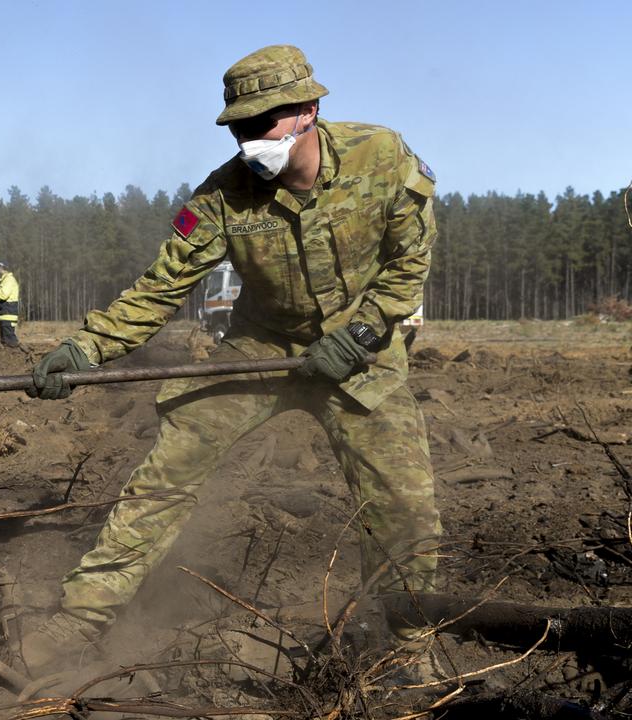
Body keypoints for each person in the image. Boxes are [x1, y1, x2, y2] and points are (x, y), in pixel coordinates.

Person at [22, 45, 441, 677]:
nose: (252, 141)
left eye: (264, 122)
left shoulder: (381, 156)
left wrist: (359, 333)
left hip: (361, 353)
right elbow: (161, 286)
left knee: (403, 503)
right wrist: (87, 348)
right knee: (166, 474)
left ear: (309, 109)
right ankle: (80, 620)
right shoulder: (220, 197)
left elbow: (410, 260)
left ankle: (408, 649)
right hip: (260, 348)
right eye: (240, 127)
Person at [0, 261, 20, 347]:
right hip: (5, 315)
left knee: (10, 341)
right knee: (5, 341)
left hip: (8, 315)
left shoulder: (9, 280)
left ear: (3, 268)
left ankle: (15, 356)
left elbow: (3, 295)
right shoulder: (5, 280)